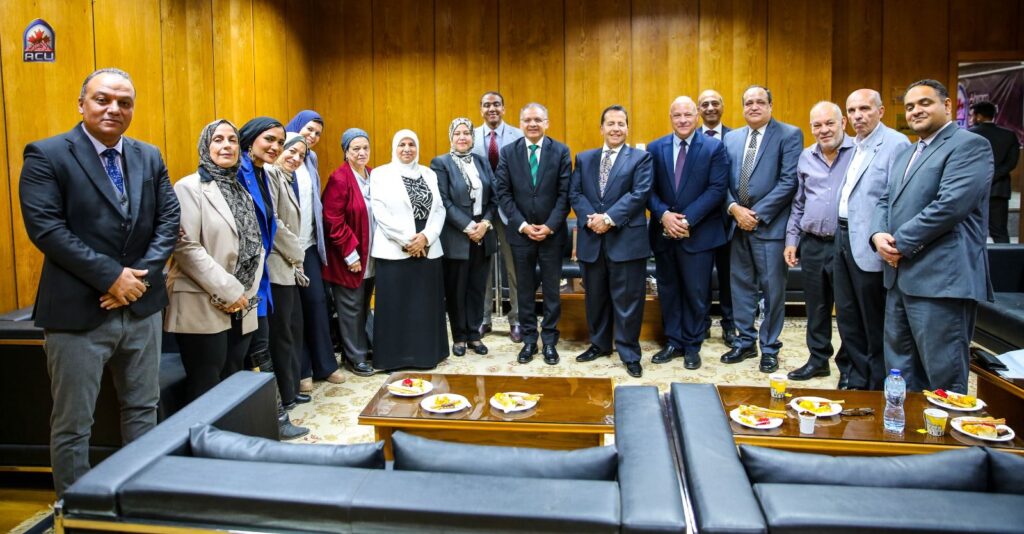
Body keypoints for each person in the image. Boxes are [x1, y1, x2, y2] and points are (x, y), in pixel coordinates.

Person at [19, 68, 180, 496]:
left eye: (124, 102)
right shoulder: (47, 155)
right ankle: (77, 511)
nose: (114, 109)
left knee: (143, 409)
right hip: (77, 312)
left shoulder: (149, 156)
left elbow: (169, 219)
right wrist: (111, 277)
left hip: (141, 307)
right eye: (102, 99)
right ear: (81, 104)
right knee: (74, 423)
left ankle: (140, 499)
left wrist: (137, 279)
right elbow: (47, 229)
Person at [870, 79, 994, 393]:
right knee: (900, 372)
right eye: (910, 106)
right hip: (900, 278)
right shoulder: (907, 153)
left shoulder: (969, 145)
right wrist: (877, 235)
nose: (915, 111)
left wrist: (899, 244)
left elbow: (950, 206)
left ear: (947, 105)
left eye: (924, 103)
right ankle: (909, 425)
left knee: (943, 377)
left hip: (941, 281)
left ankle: (946, 428)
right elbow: (885, 200)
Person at [166, 119, 263, 402]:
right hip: (202, 301)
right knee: (206, 389)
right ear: (205, 146)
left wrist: (244, 293)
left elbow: (254, 244)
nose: (226, 146)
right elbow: (185, 247)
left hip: (242, 303)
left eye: (232, 140)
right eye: (218, 139)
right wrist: (229, 291)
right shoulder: (189, 187)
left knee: (234, 382)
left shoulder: (240, 190)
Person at [721, 85, 802, 373]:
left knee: (772, 291)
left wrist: (755, 215)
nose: (753, 107)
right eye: (748, 103)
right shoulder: (731, 138)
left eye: (759, 102)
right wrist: (734, 209)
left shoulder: (789, 134)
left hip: (769, 226)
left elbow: (789, 182)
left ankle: (769, 347)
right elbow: (721, 181)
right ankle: (745, 342)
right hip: (737, 226)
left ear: (770, 106)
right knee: (741, 288)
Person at [236, 117, 308, 440]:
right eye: (270, 140)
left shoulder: (261, 173)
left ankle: (276, 418)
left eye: (280, 141)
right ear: (250, 139)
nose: (277, 147)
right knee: (256, 349)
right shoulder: (240, 173)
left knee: (262, 346)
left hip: (260, 276)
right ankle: (269, 419)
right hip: (239, 279)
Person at [834, 89, 910, 390]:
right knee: (848, 315)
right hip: (842, 238)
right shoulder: (854, 144)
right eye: (852, 110)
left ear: (881, 111)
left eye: (864, 109)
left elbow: (898, 199)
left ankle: (876, 384)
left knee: (873, 319)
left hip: (871, 242)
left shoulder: (895, 144)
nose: (857, 116)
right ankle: (856, 377)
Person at [569, 105, 652, 378]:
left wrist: (608, 218)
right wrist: (592, 219)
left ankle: (629, 353)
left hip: (626, 241)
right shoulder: (584, 158)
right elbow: (575, 193)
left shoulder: (641, 158)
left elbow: (639, 194)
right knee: (595, 298)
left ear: (627, 128)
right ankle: (599, 345)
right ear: (601, 128)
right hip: (592, 239)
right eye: (611, 123)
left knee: (628, 301)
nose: (616, 128)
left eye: (621, 123)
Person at [647, 96, 729, 371]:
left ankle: (693, 345)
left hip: (699, 234)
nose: (682, 120)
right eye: (677, 115)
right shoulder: (655, 148)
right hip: (664, 233)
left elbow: (717, 189)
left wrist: (686, 220)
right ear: (670, 118)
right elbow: (647, 189)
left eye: (687, 115)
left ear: (696, 117)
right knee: (669, 290)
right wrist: (664, 215)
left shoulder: (714, 147)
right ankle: (673, 341)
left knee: (696, 292)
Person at [493, 103, 572, 366]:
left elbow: (565, 194)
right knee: (524, 290)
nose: (533, 124)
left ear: (546, 123)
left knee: (551, 290)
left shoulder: (561, 151)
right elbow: (503, 193)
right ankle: (529, 340)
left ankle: (549, 341)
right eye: (527, 120)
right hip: (520, 234)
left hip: (552, 235)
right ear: (520, 124)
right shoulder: (508, 152)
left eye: (538, 119)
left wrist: (550, 226)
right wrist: (522, 225)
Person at [784, 102, 854, 383]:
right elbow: (799, 202)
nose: (823, 130)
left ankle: (849, 367)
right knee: (816, 307)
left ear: (843, 123)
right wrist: (792, 239)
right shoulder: (806, 156)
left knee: (847, 309)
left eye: (829, 123)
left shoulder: (858, 153)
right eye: (817, 125)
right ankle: (818, 359)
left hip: (845, 243)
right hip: (812, 243)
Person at [370, 130, 448, 370]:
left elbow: (440, 209)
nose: (407, 149)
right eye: (402, 144)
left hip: (428, 247)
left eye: (411, 144)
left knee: (424, 307)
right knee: (396, 307)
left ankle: (426, 356)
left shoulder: (429, 173)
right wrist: (409, 241)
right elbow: (380, 212)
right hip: (394, 249)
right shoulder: (380, 174)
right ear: (394, 147)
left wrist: (426, 237)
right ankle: (393, 359)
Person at [284, 110, 345, 389]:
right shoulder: (282, 155)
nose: (312, 136)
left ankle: (325, 365)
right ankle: (302, 371)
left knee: (318, 303)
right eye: (309, 129)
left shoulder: (311, 158)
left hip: (308, 245)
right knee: (294, 311)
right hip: (284, 249)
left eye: (318, 133)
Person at [433, 118, 497, 356]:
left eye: (466, 133)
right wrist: (469, 226)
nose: (462, 137)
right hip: (457, 235)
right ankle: (459, 337)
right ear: (451, 137)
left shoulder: (482, 161)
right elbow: (443, 201)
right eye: (457, 133)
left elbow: (494, 198)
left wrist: (485, 224)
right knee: (456, 289)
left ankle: (474, 335)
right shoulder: (441, 163)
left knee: (477, 287)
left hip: (483, 232)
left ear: (472, 137)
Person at [322, 128, 376, 377]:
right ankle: (355, 358)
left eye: (365, 147)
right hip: (349, 258)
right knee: (350, 308)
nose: (362, 152)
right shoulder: (339, 178)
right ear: (346, 151)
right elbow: (332, 220)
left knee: (363, 306)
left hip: (371, 255)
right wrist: (350, 255)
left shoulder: (373, 175)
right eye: (356, 148)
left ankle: (355, 350)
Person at [473, 91, 525, 342]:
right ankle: (483, 319)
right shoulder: (469, 136)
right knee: (482, 268)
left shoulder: (519, 135)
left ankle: (516, 319)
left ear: (504, 108)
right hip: (481, 213)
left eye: (496, 104)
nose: (491, 109)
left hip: (509, 211)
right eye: (486, 105)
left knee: (514, 268)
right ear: (481, 109)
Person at [266, 133, 312, 410]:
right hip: (277, 265)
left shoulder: (286, 177)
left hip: (288, 265)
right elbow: (274, 223)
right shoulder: (271, 174)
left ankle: (291, 390)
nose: (295, 158)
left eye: (301, 156)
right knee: (281, 333)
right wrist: (298, 253)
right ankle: (285, 396)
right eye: (291, 151)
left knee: (292, 329)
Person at [697, 89, 736, 346]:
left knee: (729, 277)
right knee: (699, 279)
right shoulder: (690, 139)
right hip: (699, 222)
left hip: (729, 221)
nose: (710, 107)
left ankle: (730, 325)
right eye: (705, 104)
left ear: (722, 106)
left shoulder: (736, 138)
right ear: (698, 110)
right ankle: (701, 325)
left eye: (715, 103)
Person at [968, 100, 1020, 243]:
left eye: (972, 116)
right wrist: (993, 175)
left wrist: (983, 176)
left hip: (973, 188)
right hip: (999, 189)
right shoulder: (1009, 135)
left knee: (972, 231)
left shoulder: (968, 135)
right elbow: (1011, 163)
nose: (971, 119)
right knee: (1000, 231)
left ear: (978, 116)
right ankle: (1006, 258)